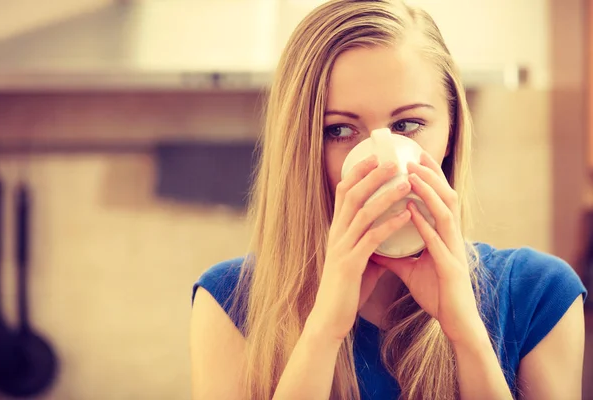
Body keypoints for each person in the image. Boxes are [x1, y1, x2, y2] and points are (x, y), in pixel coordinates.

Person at [189, 0, 587, 399]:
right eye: (340, 130)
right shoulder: (230, 303)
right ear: (302, 147)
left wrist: (467, 333)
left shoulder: (540, 296)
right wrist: (324, 329)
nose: (383, 161)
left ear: (451, 133)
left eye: (408, 125)